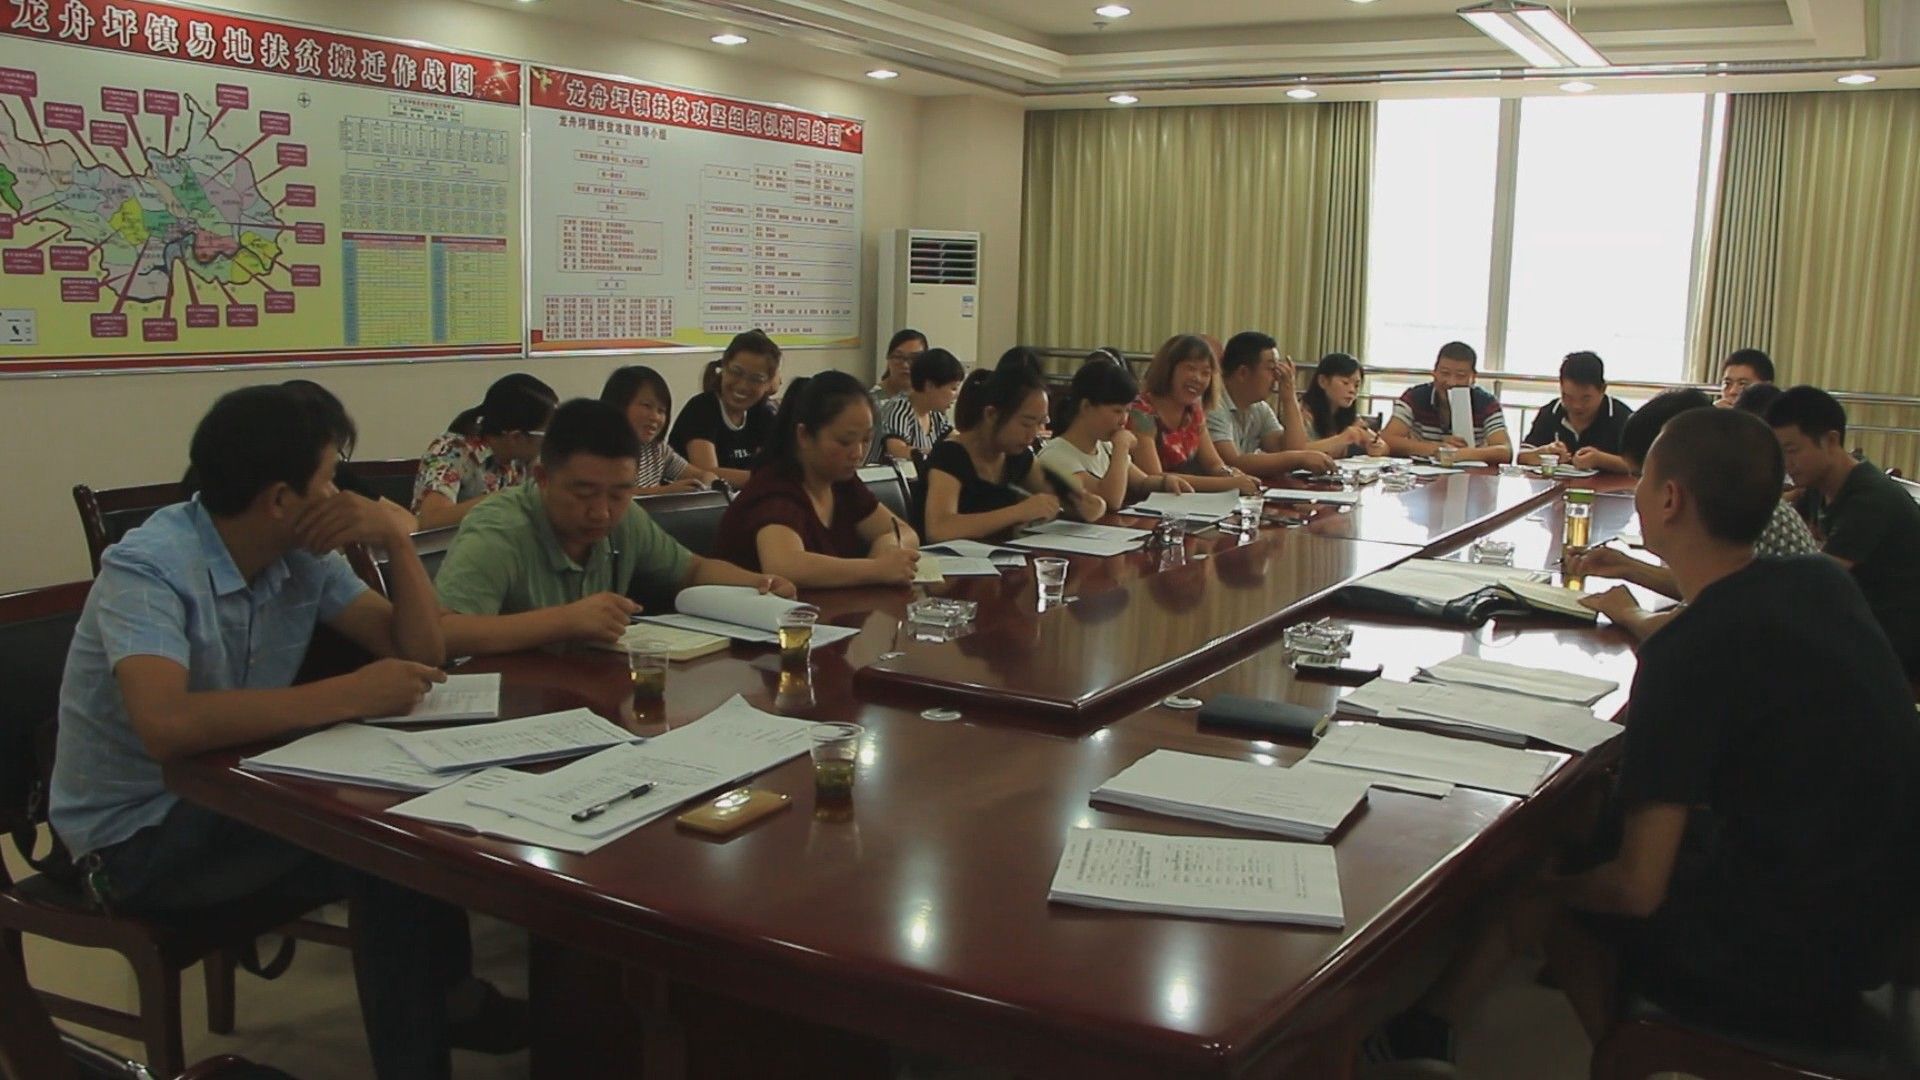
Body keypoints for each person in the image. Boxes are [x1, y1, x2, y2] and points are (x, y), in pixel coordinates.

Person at [1372, 407, 1920, 1067]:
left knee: (1566, 885)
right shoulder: (1818, 582)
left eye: (1643, 478)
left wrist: (1543, 891)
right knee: (1579, 812)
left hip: (1791, 950)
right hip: (1885, 909)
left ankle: (1638, 1056)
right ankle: (1429, 1025)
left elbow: (1637, 889)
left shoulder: (1688, 653)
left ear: (1669, 499)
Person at [50, 385, 517, 1079]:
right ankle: (428, 1044)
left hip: (232, 795)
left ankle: (451, 1005)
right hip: (135, 839)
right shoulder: (149, 567)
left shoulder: (300, 555)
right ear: (278, 499)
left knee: (417, 834)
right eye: (328, 479)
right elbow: (166, 725)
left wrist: (395, 538)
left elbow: (420, 651)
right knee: (386, 850)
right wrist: (345, 694)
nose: (339, 495)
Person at [434, 399, 794, 653]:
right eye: (584, 493)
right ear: (542, 478)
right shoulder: (499, 528)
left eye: (619, 493)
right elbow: (444, 631)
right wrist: (566, 621)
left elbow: (692, 570)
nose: (602, 513)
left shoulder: (626, 518)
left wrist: (758, 583)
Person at [1572, 389, 1818, 641]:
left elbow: (1687, 631)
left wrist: (1628, 612)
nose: (1636, 491)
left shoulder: (1737, 520)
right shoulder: (1741, 503)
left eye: (1641, 477)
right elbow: (1711, 593)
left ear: (1671, 493)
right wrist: (1627, 566)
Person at [713, 372, 922, 587]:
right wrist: (875, 569)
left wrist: (888, 551)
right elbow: (784, 565)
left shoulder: (842, 483)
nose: (858, 453)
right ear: (804, 435)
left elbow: (902, 532)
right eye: (845, 441)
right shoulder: (775, 489)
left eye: (866, 440)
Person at [1769, 386, 1920, 677]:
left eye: (1792, 451)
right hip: (1855, 621)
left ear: (1830, 440)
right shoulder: (1817, 487)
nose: (1787, 464)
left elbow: (1818, 578)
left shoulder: (1870, 498)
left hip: (1895, 638)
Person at [919, 357, 1105, 543]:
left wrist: (1091, 505)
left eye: (1040, 423)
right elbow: (939, 529)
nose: (1033, 434)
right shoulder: (950, 455)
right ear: (991, 414)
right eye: (1026, 424)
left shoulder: (1018, 456)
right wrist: (1018, 512)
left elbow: (1067, 498)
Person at [1038, 355, 1193, 515]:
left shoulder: (1105, 447)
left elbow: (1141, 482)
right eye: (1117, 411)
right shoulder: (1056, 456)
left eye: (1127, 411)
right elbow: (1111, 500)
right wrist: (1121, 447)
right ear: (1086, 407)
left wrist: (1166, 482)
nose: (1124, 420)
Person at [412, 375, 557, 530]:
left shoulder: (525, 457)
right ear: (516, 437)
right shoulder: (451, 451)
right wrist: (504, 500)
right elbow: (430, 520)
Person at [1125, 334, 1263, 494]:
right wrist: (1229, 484)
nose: (1198, 378)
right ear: (1168, 369)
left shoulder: (1194, 410)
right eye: (1190, 368)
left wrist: (1232, 474)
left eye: (1206, 373)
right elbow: (1154, 477)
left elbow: (1213, 464)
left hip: (1184, 500)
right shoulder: (1140, 411)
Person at [1206, 331, 1336, 479]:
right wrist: (1299, 459)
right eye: (1271, 369)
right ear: (1243, 373)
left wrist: (1289, 397)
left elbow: (1292, 448)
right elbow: (1232, 462)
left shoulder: (1260, 408)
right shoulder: (1213, 403)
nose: (1277, 376)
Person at [668, 329, 782, 487]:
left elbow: (777, 466)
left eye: (756, 379)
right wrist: (764, 479)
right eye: (736, 372)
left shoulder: (763, 413)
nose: (743, 386)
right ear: (723, 367)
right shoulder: (701, 408)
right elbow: (707, 474)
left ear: (769, 383)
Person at [1381, 342, 1511, 464]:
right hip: (1423, 471)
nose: (1451, 382)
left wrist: (1461, 454)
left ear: (1473, 377)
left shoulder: (1487, 403)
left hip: (1471, 473)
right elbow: (1387, 438)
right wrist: (1436, 448)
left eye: (1460, 376)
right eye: (1445, 373)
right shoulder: (1414, 397)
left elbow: (1505, 451)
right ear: (1434, 372)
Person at [598, 365, 718, 494]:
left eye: (661, 411)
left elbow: (703, 475)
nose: (655, 417)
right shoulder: (599, 450)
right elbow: (612, 494)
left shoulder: (658, 450)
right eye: (647, 406)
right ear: (619, 405)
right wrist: (665, 491)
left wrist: (707, 482)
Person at [1517, 352, 1634, 474]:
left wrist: (1601, 460)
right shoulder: (1551, 412)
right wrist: (1543, 453)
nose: (1576, 405)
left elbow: (1640, 466)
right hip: (1557, 485)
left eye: (1586, 398)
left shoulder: (1622, 417)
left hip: (1608, 485)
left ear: (1602, 389)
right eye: (1568, 397)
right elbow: (1522, 456)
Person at [871, 346, 965, 464]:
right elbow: (897, 450)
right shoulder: (899, 410)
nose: (956, 395)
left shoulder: (935, 415)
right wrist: (938, 454)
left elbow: (957, 439)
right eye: (953, 388)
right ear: (929, 386)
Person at [1299, 352, 1390, 459]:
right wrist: (1342, 438)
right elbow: (1296, 451)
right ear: (1323, 381)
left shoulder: (1348, 416)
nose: (1352, 390)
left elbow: (1385, 447)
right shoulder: (1302, 412)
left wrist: (1377, 447)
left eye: (1356, 385)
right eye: (1345, 383)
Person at [871, 328, 928, 402]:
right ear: (888, 359)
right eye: (898, 357)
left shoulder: (932, 397)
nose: (905, 365)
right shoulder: (871, 401)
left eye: (914, 358)